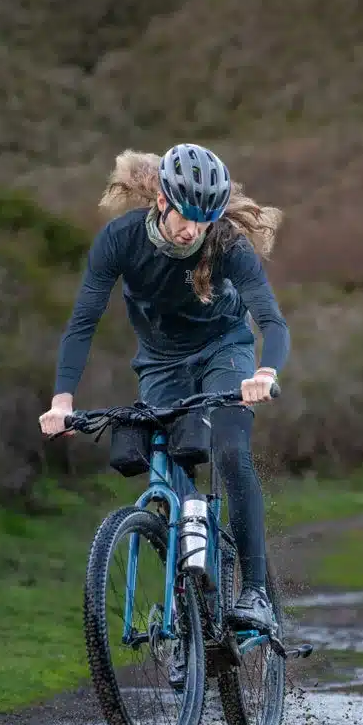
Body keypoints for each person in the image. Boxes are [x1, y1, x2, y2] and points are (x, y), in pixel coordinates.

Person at [39, 143, 289, 637]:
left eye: (204, 220)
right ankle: (193, 605)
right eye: (186, 216)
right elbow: (83, 321)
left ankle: (256, 593)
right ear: (161, 201)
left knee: (230, 450)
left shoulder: (227, 245)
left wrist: (264, 373)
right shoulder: (120, 240)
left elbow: (271, 320)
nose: (193, 230)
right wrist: (62, 399)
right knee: (167, 469)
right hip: (161, 363)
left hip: (225, 350)